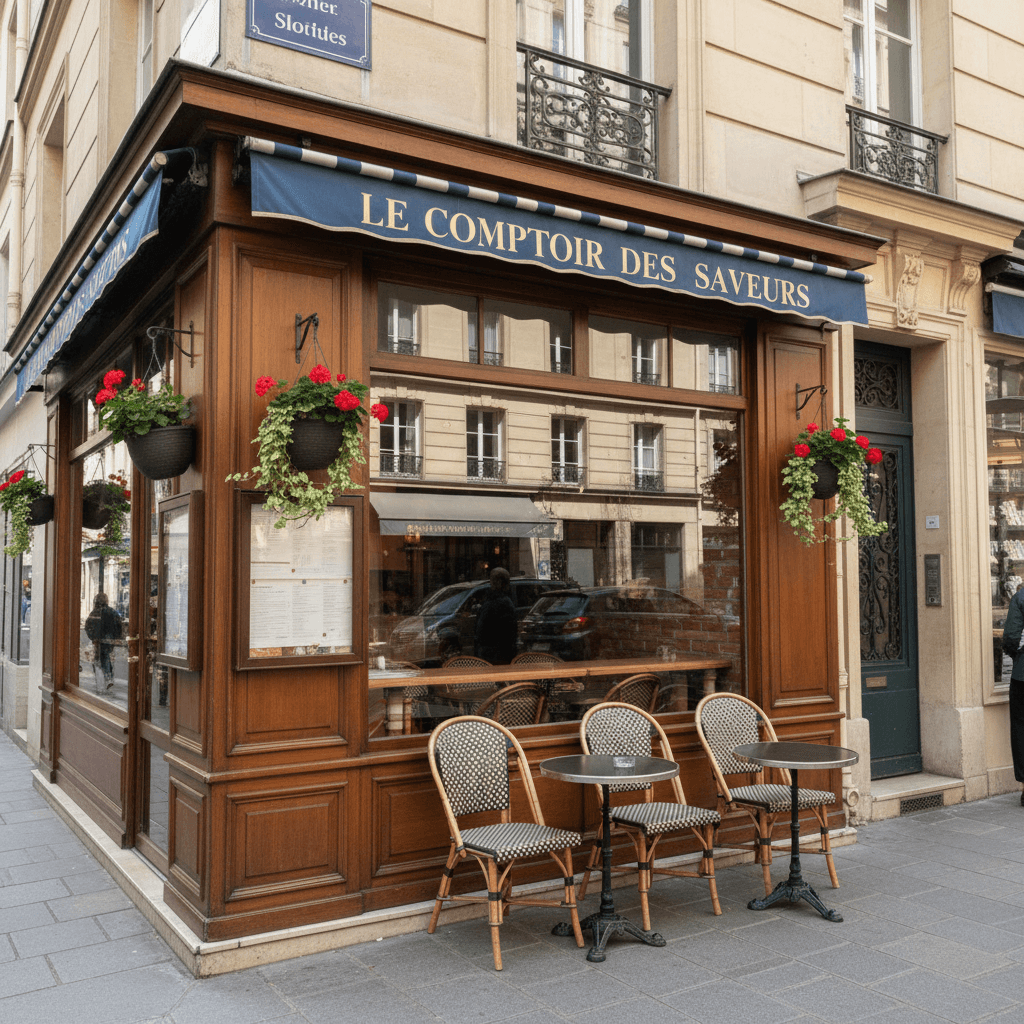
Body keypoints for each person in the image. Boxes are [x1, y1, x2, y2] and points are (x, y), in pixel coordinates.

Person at [1001, 584, 1024, 805]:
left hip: (1022, 675)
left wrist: (1015, 655)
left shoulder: (1020, 598)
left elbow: (1010, 637)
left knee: (1020, 727)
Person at [474, 567, 518, 665]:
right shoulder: (504, 601)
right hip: (498, 653)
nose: (491, 583)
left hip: (494, 654)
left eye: (492, 580)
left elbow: (483, 629)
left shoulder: (497, 602)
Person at [84, 592, 122, 691]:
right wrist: (116, 637)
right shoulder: (112, 611)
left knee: (99, 659)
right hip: (110, 640)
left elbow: (88, 626)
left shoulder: (95, 612)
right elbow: (119, 625)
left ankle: (104, 680)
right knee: (106, 657)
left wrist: (93, 637)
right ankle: (108, 677)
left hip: (99, 640)